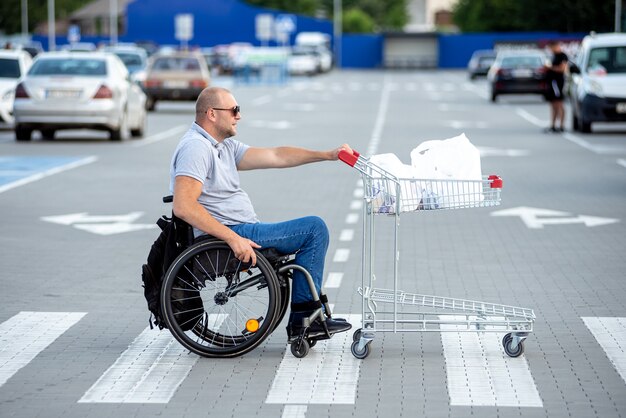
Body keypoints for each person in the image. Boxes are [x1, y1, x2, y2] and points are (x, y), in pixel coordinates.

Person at [169, 86, 352, 340]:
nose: (239, 116)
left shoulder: (224, 147)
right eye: (234, 110)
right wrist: (233, 239)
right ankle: (304, 318)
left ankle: (305, 316)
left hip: (242, 228)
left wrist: (327, 155)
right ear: (211, 113)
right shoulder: (196, 148)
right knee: (314, 229)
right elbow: (184, 206)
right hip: (228, 234)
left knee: (311, 229)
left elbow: (277, 155)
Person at [545, 41, 569, 133]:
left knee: (559, 103)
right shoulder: (553, 56)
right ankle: (553, 125)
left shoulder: (562, 56)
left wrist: (550, 68)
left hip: (557, 83)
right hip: (552, 83)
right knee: (553, 104)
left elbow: (562, 69)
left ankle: (561, 125)